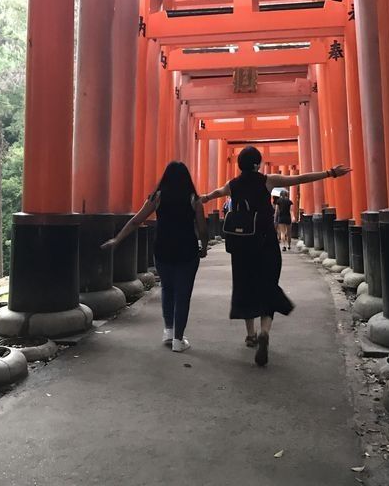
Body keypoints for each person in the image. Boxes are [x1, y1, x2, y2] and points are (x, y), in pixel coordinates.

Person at [200, 146, 350, 366]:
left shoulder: (232, 185)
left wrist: (203, 198)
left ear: (240, 164)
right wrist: (330, 173)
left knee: (244, 286)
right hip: (266, 244)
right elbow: (299, 178)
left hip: (242, 246)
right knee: (267, 287)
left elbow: (215, 194)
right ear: (257, 164)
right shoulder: (267, 181)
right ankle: (264, 332)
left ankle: (250, 335)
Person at [102, 161, 208, 353]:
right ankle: (178, 340)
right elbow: (202, 228)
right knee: (183, 295)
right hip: (187, 251)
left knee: (167, 289)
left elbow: (136, 221)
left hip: (163, 250)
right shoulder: (194, 199)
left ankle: (168, 330)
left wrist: (117, 240)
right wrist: (205, 247)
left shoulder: (158, 197)